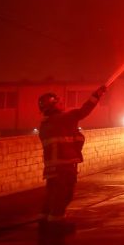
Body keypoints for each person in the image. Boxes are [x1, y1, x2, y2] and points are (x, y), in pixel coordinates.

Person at [38, 85, 107, 230]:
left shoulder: (45, 124)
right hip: (64, 165)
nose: (62, 104)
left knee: (51, 194)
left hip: (52, 166)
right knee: (64, 194)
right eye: (59, 102)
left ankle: (45, 219)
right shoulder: (62, 119)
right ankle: (56, 222)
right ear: (53, 106)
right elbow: (82, 112)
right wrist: (96, 95)